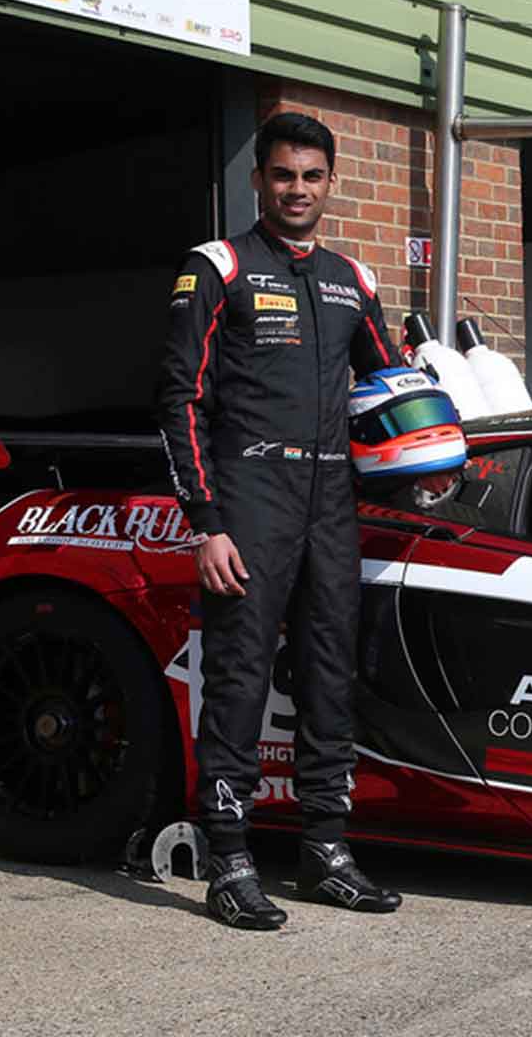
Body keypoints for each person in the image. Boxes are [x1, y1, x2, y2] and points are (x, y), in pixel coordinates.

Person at [157, 112, 405, 929]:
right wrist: (206, 522)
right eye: (283, 175)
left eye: (312, 176)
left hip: (331, 503)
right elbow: (180, 402)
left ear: (331, 183)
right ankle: (228, 858)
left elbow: (393, 389)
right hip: (248, 500)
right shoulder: (217, 267)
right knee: (238, 679)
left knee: (331, 675)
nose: (297, 189)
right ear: (259, 180)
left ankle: (324, 852)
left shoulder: (351, 279)